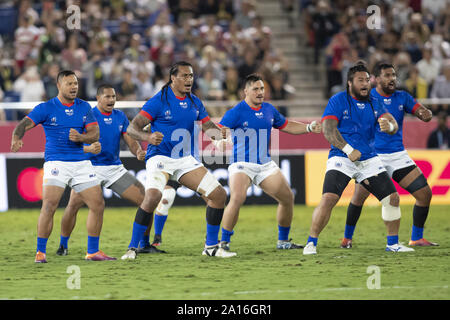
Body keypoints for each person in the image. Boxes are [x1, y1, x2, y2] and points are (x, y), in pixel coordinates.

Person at [120, 61, 236, 259]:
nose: (189, 79)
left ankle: (210, 247)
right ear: (173, 78)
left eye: (191, 76)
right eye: (184, 76)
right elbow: (132, 128)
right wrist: (148, 138)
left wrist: (221, 135)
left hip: (184, 159)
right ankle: (132, 248)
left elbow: (208, 128)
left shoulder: (194, 101)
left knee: (218, 196)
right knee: (153, 198)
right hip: (159, 157)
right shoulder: (158, 101)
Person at [303, 62, 415, 255]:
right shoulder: (338, 100)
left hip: (369, 160)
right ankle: (311, 242)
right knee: (329, 198)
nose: (365, 83)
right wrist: (348, 149)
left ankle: (393, 244)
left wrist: (389, 127)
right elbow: (329, 130)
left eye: (367, 80)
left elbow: (393, 124)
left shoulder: (374, 101)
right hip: (341, 157)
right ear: (350, 83)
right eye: (360, 80)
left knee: (392, 198)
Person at [10, 70, 115, 262]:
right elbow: (23, 124)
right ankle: (40, 252)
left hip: (81, 163)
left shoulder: (84, 107)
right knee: (49, 205)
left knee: (98, 204)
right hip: (56, 162)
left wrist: (81, 138)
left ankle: (92, 251)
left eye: (75, 83)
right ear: (59, 86)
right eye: (69, 84)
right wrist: (16, 138)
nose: (74, 87)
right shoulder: (46, 107)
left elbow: (95, 133)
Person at [55, 84, 165, 256]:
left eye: (113, 97)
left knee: (146, 199)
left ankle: (143, 244)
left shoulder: (120, 116)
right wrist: (88, 149)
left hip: (114, 169)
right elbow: (70, 144)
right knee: (73, 205)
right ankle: (63, 244)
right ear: (98, 98)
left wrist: (137, 151)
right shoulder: (86, 116)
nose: (111, 100)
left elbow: (129, 139)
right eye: (107, 97)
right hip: (89, 168)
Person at [218, 73, 322, 252]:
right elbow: (218, 130)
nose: (260, 92)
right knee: (237, 198)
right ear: (245, 91)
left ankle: (283, 242)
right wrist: (219, 140)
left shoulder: (269, 109)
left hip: (265, 164)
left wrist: (308, 128)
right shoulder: (236, 111)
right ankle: (223, 243)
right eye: (256, 89)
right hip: (242, 163)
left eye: (262, 89)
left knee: (287, 198)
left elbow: (287, 125)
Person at [341, 62, 437, 249]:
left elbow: (421, 111)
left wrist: (425, 113)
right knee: (358, 198)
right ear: (376, 79)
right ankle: (347, 238)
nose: (392, 78)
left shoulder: (403, 97)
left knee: (424, 194)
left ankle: (416, 238)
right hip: (373, 157)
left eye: (393, 75)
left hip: (398, 155)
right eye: (387, 75)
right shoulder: (367, 98)